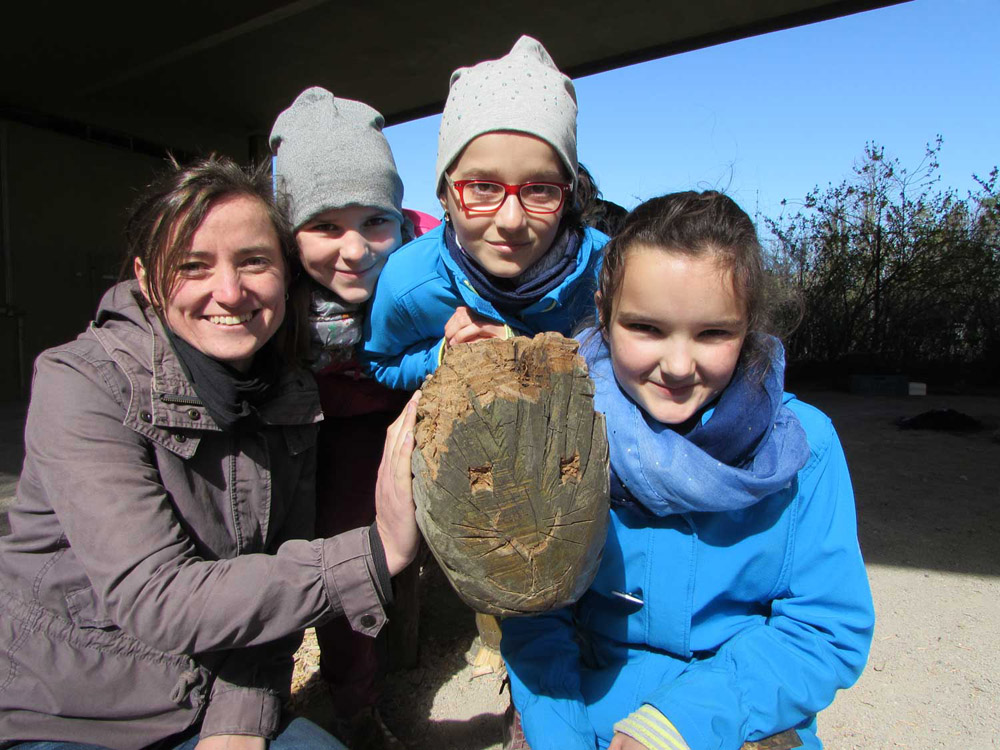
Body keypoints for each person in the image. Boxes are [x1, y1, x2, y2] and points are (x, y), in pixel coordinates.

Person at [0, 156, 421, 750]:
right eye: (193, 267)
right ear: (148, 280)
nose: (230, 292)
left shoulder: (292, 393)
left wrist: (240, 718)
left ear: (286, 273)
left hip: (216, 700)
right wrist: (378, 552)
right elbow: (154, 594)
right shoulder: (83, 382)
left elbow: (276, 574)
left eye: (254, 262)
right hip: (70, 714)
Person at [500, 191, 875, 750]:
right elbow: (533, 613)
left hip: (739, 723)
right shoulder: (559, 426)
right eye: (646, 328)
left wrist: (682, 724)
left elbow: (824, 630)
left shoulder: (804, 446)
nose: (677, 366)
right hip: (578, 714)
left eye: (713, 333)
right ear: (603, 312)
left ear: (748, 327)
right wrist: (562, 737)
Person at [270, 86, 437, 750]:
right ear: (288, 232)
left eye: (375, 220)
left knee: (374, 562)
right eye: (325, 225)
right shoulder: (266, 281)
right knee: (293, 563)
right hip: (297, 432)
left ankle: (359, 700)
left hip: (381, 424)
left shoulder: (430, 264)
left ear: (400, 217)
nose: (355, 249)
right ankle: (293, 699)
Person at [361, 35, 609, 391]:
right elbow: (380, 362)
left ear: (568, 193)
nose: (511, 220)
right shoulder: (407, 281)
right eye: (483, 187)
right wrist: (442, 356)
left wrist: (518, 348)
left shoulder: (610, 270)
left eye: (539, 189)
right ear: (444, 193)